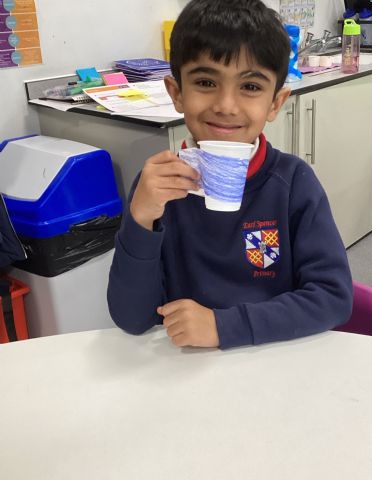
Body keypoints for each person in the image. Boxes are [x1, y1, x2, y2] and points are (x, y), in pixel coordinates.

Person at [107, 0, 353, 349]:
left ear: (275, 103)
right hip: (186, 365)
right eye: (206, 81)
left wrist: (223, 326)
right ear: (177, 93)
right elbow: (132, 318)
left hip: (273, 355)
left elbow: (332, 298)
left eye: (250, 87)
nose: (225, 105)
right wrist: (141, 219)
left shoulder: (293, 184)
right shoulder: (157, 189)